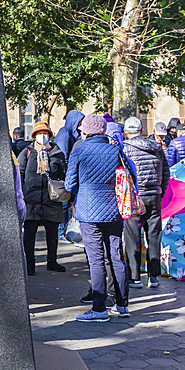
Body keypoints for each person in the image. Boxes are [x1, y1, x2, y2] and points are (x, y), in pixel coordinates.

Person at [64, 113, 134, 321]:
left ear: (85, 131)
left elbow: (69, 185)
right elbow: (128, 175)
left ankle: (99, 308)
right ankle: (122, 305)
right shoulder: (115, 150)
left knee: (96, 260)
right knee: (116, 257)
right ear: (103, 130)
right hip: (114, 210)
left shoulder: (80, 150)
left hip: (88, 212)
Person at [122, 116, 170, 290]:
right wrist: (160, 191)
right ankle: (154, 276)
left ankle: (134, 277)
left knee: (132, 235)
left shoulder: (124, 148)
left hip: (135, 197)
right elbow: (166, 172)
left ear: (126, 132)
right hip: (154, 196)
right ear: (142, 131)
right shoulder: (157, 148)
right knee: (154, 236)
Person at [19, 121, 67, 275]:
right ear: (34, 136)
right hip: (31, 200)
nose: (43, 136)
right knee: (29, 234)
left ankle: (52, 261)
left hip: (51, 200)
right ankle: (30, 264)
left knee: (52, 234)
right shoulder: (27, 152)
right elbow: (19, 174)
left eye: (45, 133)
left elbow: (63, 174)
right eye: (40, 134)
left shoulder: (57, 153)